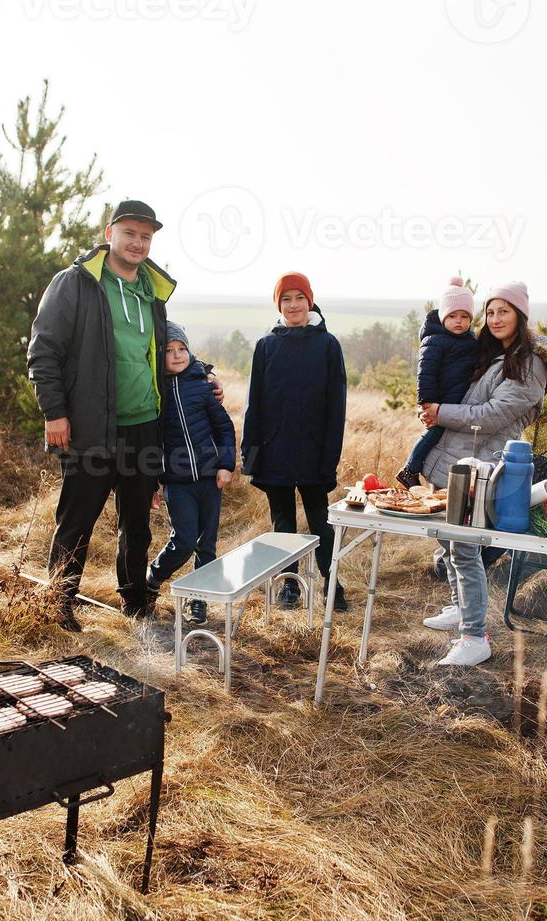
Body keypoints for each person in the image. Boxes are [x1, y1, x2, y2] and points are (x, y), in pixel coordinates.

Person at [27, 199, 220, 629]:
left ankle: (135, 600)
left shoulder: (151, 295)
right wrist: (55, 412)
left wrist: (202, 375)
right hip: (91, 427)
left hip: (145, 429)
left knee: (137, 523)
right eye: (130, 232)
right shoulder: (76, 284)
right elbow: (44, 351)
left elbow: (165, 350)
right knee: (77, 520)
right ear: (110, 232)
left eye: (146, 236)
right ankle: (58, 602)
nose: (137, 242)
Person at [418, 282, 547, 666]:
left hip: (485, 466)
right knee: (452, 543)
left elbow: (489, 417)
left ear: (520, 316)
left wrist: (440, 413)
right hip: (463, 460)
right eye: (491, 311)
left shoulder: (528, 363)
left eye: (505, 311)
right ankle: (459, 608)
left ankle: (474, 637)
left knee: (466, 551)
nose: (496, 318)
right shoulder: (496, 355)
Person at [242, 272, 350, 612]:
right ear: (279, 304)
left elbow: (337, 406)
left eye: (298, 298)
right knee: (282, 522)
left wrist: (329, 455)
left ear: (309, 301)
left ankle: (332, 585)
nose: (293, 305)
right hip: (275, 452)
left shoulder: (328, 345)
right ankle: (289, 584)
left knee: (320, 520)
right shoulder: (266, 346)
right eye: (285, 299)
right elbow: (254, 404)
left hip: (315, 452)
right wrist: (252, 454)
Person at [145, 323, 236, 626]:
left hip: (210, 479)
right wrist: (152, 483)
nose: (177, 355)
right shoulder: (155, 390)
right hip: (177, 481)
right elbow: (150, 441)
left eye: (181, 348)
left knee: (206, 545)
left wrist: (225, 465)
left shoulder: (201, 384)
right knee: (183, 540)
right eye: (169, 351)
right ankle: (153, 577)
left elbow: (224, 427)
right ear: (160, 355)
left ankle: (199, 600)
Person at [396, 276, 480, 490]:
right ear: (443, 317)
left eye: (464, 316)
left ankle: (426, 472)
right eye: (452, 316)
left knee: (442, 438)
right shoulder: (434, 341)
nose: (459, 321)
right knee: (433, 434)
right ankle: (410, 469)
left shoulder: (470, 340)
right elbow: (426, 373)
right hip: (440, 402)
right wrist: (427, 402)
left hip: (457, 402)